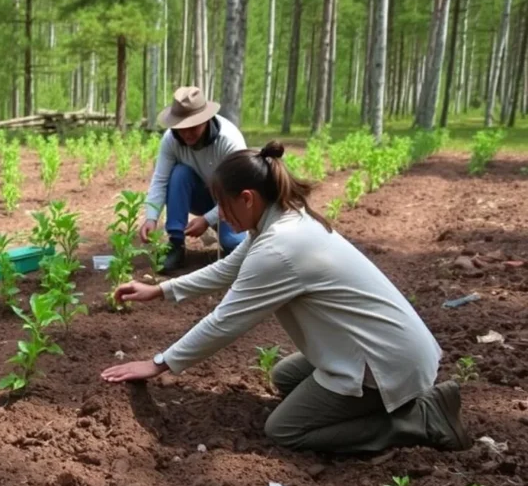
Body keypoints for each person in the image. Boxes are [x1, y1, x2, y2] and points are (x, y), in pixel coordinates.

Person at [101, 141, 471, 454]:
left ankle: (417, 419)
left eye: (222, 206)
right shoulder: (281, 221)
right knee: (286, 376)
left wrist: (159, 363)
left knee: (285, 429)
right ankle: (383, 404)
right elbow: (228, 269)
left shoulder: (280, 248)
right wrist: (161, 290)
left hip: (385, 363)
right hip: (384, 349)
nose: (218, 217)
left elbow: (225, 321)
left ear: (247, 198)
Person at [140, 86, 250, 274]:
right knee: (179, 173)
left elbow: (238, 193)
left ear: (206, 120)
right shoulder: (170, 141)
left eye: (193, 127)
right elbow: (160, 180)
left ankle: (230, 238)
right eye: (181, 128)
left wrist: (207, 220)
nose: (187, 133)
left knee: (233, 245)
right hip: (198, 195)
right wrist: (150, 217)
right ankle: (175, 244)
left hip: (230, 200)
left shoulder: (229, 140)